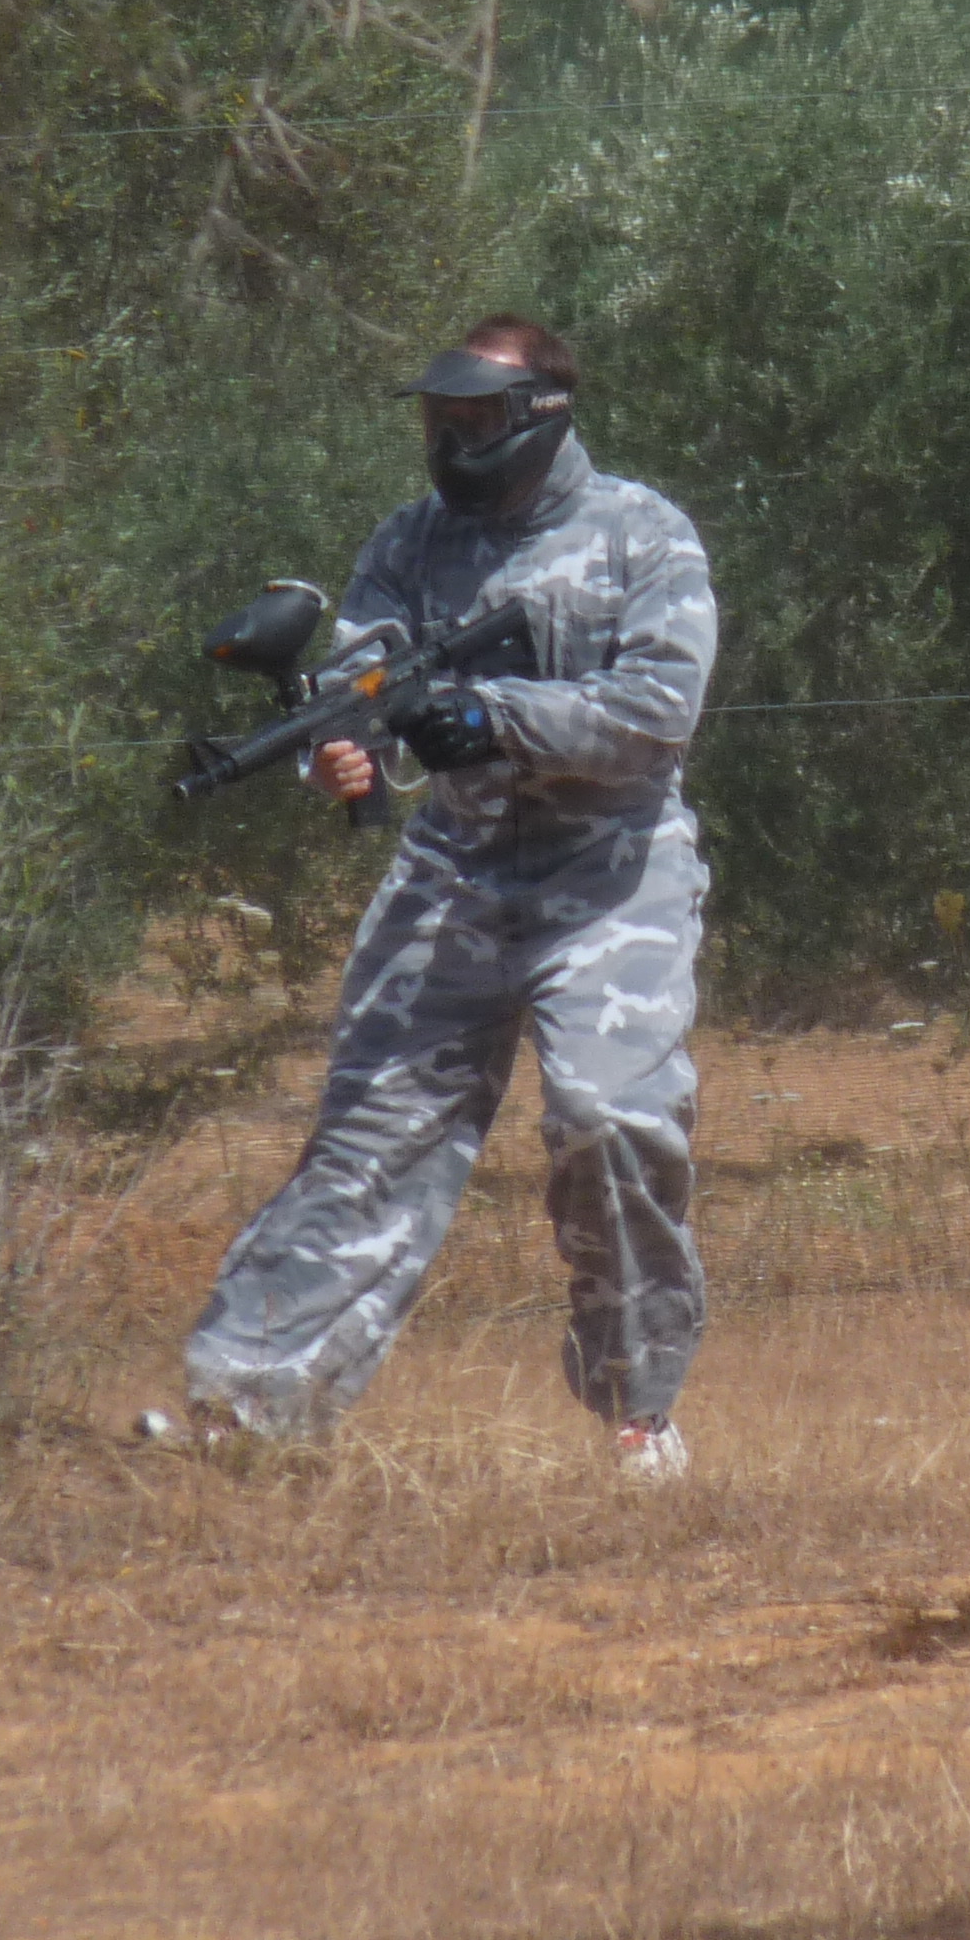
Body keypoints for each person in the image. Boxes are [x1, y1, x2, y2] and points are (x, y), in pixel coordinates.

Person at [160, 314, 720, 1481]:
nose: (453, 440)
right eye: (440, 419)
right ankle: (248, 1409)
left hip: (611, 872)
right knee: (372, 1136)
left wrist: (494, 714)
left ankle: (638, 1406)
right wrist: (342, 761)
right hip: (455, 866)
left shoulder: (642, 533)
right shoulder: (408, 539)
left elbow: (658, 712)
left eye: (475, 418)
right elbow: (360, 685)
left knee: (611, 1120)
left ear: (541, 415)